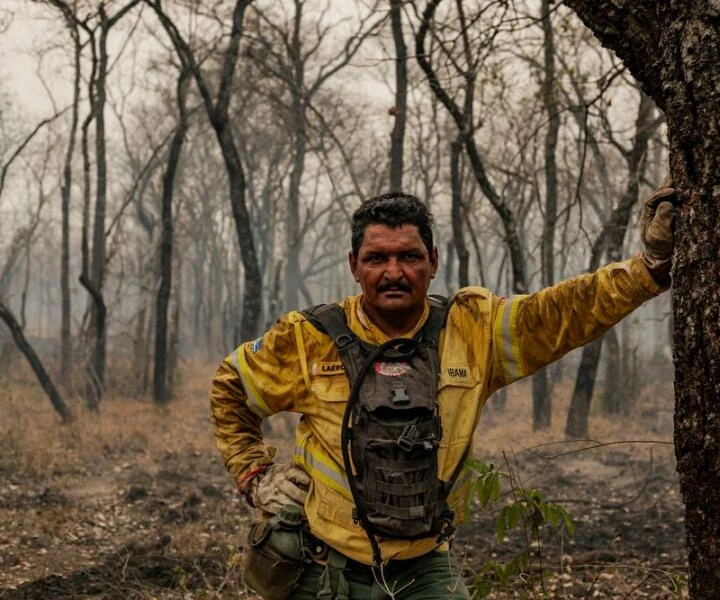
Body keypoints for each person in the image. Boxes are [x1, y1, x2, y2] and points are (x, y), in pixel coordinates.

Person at [210, 185, 676, 599]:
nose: (394, 272)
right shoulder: (309, 337)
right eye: (377, 258)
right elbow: (230, 385)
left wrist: (649, 268)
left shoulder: (473, 329)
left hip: (424, 566)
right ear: (354, 266)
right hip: (322, 566)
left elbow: (561, 313)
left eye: (409, 256)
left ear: (433, 261)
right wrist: (255, 474)